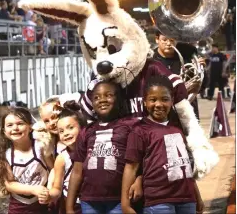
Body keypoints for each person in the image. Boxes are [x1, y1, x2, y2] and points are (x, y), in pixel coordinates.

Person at [121, 75, 204, 214]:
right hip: (158, 201)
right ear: (145, 102)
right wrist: (125, 203)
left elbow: (185, 165)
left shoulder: (177, 128)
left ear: (172, 100)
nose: (159, 104)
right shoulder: (139, 131)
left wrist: (197, 195)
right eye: (153, 100)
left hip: (186, 199)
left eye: (164, 99)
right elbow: (131, 167)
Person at [66, 81, 143, 214]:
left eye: (108, 95)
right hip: (89, 200)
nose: (102, 100)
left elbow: (142, 161)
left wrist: (139, 179)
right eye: (96, 97)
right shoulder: (86, 131)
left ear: (118, 99)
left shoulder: (131, 126)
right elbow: (77, 171)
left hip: (119, 199)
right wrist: (69, 207)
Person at [0, 107, 53, 214]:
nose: (15, 128)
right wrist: (33, 190)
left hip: (43, 202)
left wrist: (50, 191)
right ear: (4, 131)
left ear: (30, 127)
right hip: (18, 205)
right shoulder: (4, 155)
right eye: (10, 125)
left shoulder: (40, 146)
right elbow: (9, 184)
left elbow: (53, 170)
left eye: (20, 123)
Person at [153, 30, 205, 119]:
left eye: (172, 40)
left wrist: (202, 70)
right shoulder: (151, 60)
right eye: (164, 40)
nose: (169, 43)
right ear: (157, 39)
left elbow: (201, 86)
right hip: (162, 111)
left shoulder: (187, 57)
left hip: (188, 110)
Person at [45, 101, 87, 214]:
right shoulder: (62, 158)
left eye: (70, 128)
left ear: (83, 128)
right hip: (72, 205)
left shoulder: (91, 151)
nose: (66, 133)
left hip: (92, 202)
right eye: (61, 131)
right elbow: (57, 187)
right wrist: (49, 195)